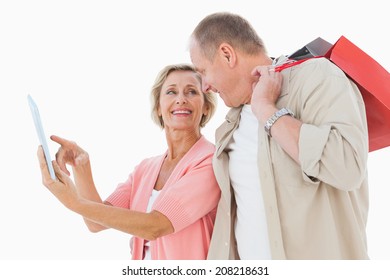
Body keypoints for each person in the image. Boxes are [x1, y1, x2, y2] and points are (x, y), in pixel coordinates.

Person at [189, 12, 369, 260]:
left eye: (203, 72)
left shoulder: (317, 76)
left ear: (227, 54)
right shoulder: (229, 128)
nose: (204, 86)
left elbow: (348, 167)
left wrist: (267, 111)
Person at [37, 63, 221, 260]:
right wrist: (82, 167)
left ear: (206, 106)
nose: (181, 100)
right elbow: (96, 222)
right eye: (171, 92)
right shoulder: (145, 169)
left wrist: (74, 202)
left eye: (192, 92)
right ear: (158, 107)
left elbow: (156, 226)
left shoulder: (210, 162)